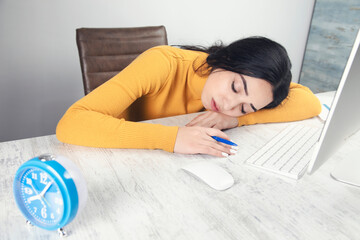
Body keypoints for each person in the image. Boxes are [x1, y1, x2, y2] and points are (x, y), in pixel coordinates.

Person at [56, 36, 321, 157]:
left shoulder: (237, 104)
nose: (230, 105)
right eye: (235, 88)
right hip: (118, 158)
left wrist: (236, 120)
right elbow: (71, 123)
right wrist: (172, 138)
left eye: (245, 107)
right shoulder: (163, 62)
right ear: (224, 59)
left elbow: (310, 102)